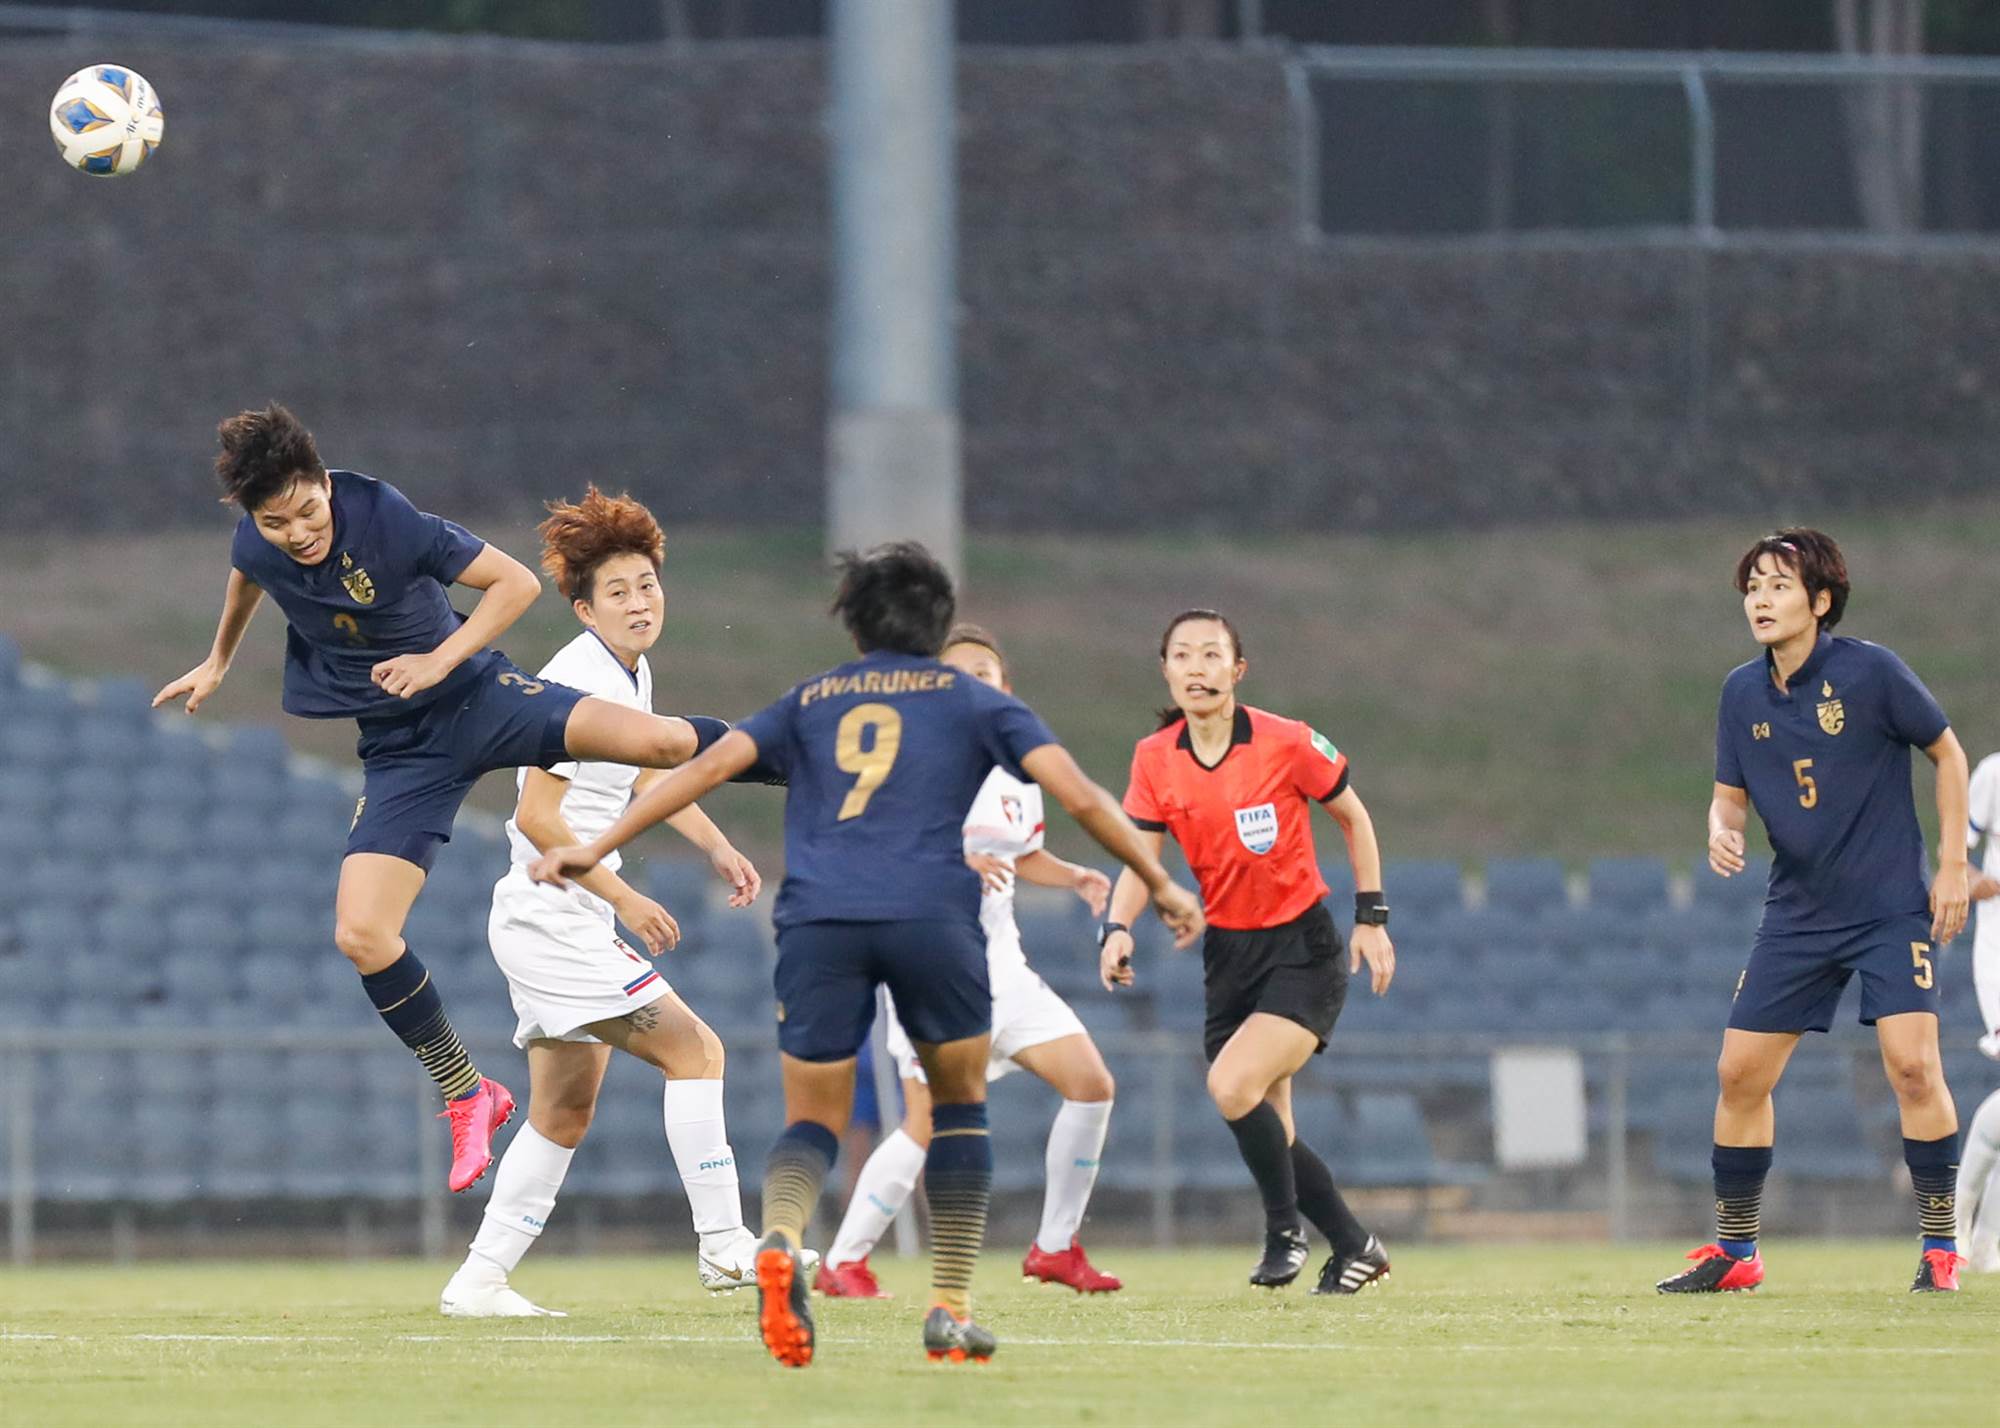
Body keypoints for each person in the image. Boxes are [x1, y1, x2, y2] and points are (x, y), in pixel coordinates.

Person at [528, 542, 1203, 1367]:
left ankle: (777, 1239)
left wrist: (588, 849)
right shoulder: (970, 697)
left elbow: (697, 770)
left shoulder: (811, 699)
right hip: (932, 922)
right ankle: (950, 1307)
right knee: (958, 1111)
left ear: (852, 626)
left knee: (814, 1116)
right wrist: (1154, 879)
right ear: (939, 625)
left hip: (820, 924)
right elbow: (1082, 797)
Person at [153, 405, 746, 1194]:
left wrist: (438, 659)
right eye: (276, 521)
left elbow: (516, 582)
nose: (297, 532)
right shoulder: (258, 541)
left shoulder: (384, 516)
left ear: (325, 485)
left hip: (480, 696)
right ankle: (469, 1092)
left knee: (668, 744)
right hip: (403, 751)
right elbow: (246, 574)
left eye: (306, 510)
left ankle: (793, 742)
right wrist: (218, 659)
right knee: (362, 934)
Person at [439, 486, 787, 1315]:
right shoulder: (574, 682)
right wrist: (625, 895)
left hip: (559, 915)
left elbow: (647, 770)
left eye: (647, 585)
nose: (639, 603)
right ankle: (724, 1247)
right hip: (553, 914)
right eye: (619, 593)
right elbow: (534, 812)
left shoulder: (629, 674)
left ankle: (479, 1281)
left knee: (563, 1109)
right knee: (696, 1052)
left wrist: (716, 844)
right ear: (584, 608)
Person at [1657, 528, 1971, 1295]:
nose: (1760, 600)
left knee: (1913, 1066)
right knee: (1739, 1075)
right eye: (1752, 588)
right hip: (1797, 914)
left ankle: (1939, 1246)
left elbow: (1948, 754)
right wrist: (1720, 829)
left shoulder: (1870, 672)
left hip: (1888, 909)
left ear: (1820, 601)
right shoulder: (1741, 692)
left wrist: (1955, 866)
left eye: (1777, 586)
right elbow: (1728, 799)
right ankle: (1737, 1253)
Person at [817, 624, 1123, 1299]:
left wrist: (1073, 875)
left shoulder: (1021, 768)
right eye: (958, 672)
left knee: (1092, 1084)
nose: (973, 681)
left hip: (1002, 970)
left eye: (986, 670)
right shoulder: (906, 766)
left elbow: (1019, 853)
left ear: (1005, 688)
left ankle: (1054, 1248)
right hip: (929, 966)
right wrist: (956, 858)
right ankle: (843, 1261)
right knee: (927, 1122)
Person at [1099, 609, 1396, 1296]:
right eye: (1182, 655)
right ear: (1166, 670)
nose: (1196, 667)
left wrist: (1371, 918)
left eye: (1212, 655)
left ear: (1238, 670)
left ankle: (1282, 1233)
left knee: (1232, 1087)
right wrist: (1115, 927)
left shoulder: (1286, 742)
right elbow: (1141, 857)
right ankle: (1355, 1245)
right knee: (1273, 1127)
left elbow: (1354, 815)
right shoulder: (1154, 758)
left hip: (1303, 948)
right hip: (1227, 956)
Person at [1951, 753, 2000, 1271]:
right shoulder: (1994, 774)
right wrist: (1971, 879)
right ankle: (1956, 1218)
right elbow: (1956, 858)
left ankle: (1985, 1243)